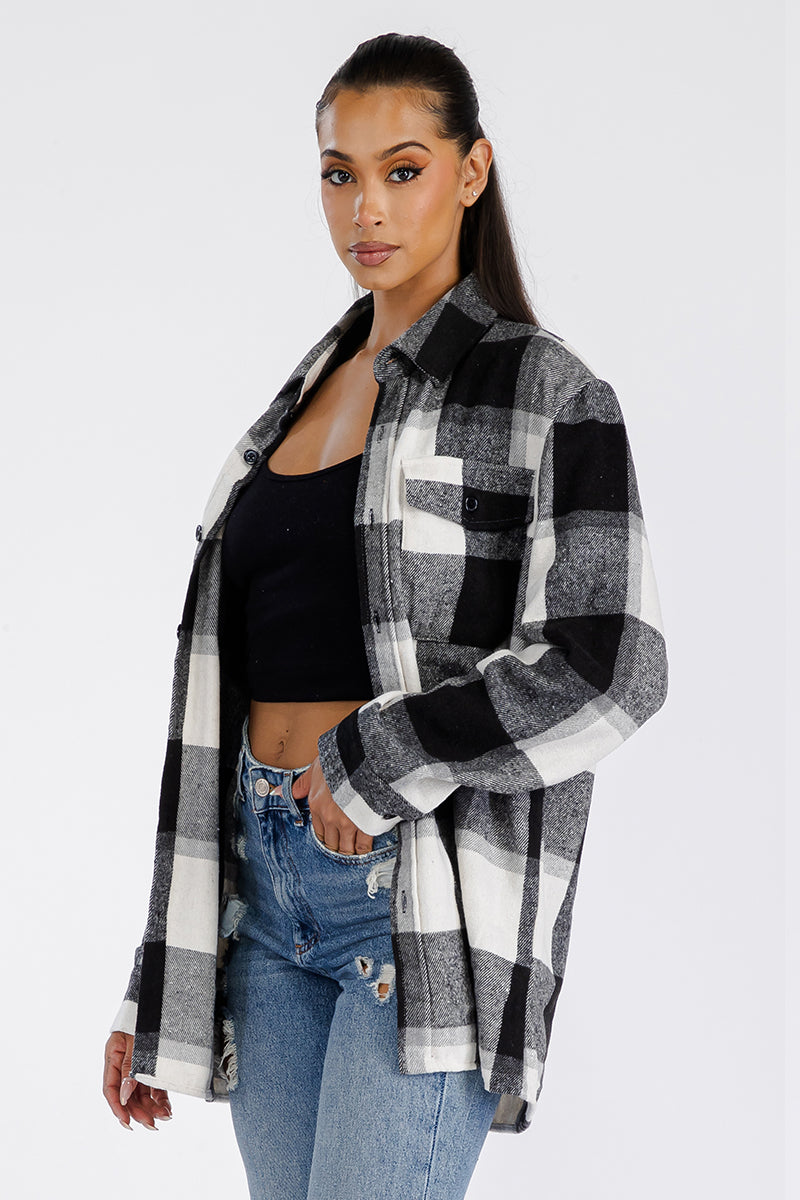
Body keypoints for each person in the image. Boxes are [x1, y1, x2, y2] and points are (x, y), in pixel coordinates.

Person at [102, 30, 668, 1200]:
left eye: (401, 169)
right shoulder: (297, 402)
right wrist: (164, 971)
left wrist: (381, 756)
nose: (365, 207)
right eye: (338, 173)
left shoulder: (544, 392)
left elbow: (610, 665)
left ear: (470, 171)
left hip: (410, 901)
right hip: (261, 905)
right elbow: (223, 701)